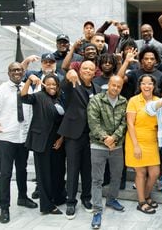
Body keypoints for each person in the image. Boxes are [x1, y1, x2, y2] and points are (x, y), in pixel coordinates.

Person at [0, 62, 38, 224]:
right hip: (6, 138)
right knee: (6, 173)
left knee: (22, 170)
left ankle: (22, 197)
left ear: (24, 72)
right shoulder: (0, 91)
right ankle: (5, 208)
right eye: (14, 70)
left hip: (23, 137)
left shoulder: (29, 88)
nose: (17, 72)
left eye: (20, 70)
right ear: (8, 73)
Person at [58, 61, 99, 219]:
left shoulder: (95, 87)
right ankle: (70, 202)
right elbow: (65, 83)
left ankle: (86, 198)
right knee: (73, 169)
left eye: (91, 69)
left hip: (90, 136)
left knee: (87, 169)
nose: (88, 70)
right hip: (73, 135)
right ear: (79, 70)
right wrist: (69, 74)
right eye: (84, 68)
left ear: (95, 72)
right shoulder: (73, 82)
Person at [20, 74, 66, 215]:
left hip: (57, 141)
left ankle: (58, 197)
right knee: (44, 174)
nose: (52, 87)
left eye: (54, 84)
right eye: (49, 84)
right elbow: (23, 96)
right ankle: (46, 205)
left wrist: (61, 138)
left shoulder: (60, 98)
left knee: (58, 172)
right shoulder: (38, 96)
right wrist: (29, 80)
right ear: (44, 84)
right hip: (42, 142)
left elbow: (65, 119)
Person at [87, 76, 128, 229]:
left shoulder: (124, 101)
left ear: (121, 87)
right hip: (98, 146)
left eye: (118, 86)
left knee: (116, 175)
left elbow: (124, 123)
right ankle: (97, 211)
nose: (115, 88)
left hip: (117, 146)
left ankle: (112, 199)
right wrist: (105, 139)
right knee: (97, 180)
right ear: (108, 85)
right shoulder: (96, 100)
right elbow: (93, 122)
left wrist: (114, 138)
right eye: (113, 85)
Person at [125, 74, 161, 214]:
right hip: (136, 140)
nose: (147, 86)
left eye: (150, 83)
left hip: (151, 141)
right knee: (141, 172)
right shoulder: (134, 101)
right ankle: (141, 202)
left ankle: (145, 195)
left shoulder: (158, 101)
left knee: (154, 173)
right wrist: (135, 146)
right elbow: (130, 123)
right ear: (139, 86)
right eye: (144, 83)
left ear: (154, 86)